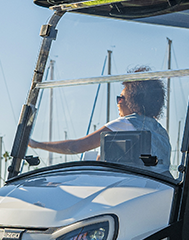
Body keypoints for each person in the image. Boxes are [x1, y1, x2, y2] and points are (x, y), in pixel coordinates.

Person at [28, 65, 172, 175]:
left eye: (121, 98)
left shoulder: (126, 123)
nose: (118, 102)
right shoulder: (161, 132)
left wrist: (36, 144)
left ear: (134, 101)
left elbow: (76, 147)